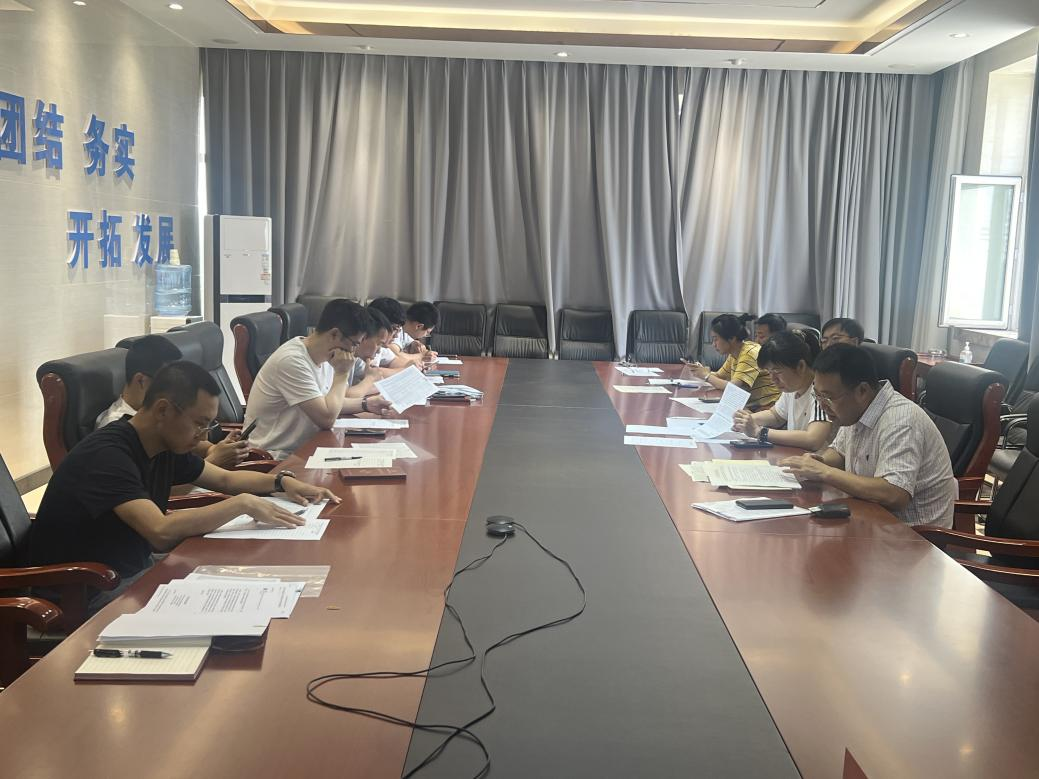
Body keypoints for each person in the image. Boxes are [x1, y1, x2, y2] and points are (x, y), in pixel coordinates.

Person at [26, 361, 339, 611]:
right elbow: (160, 531)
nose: (203, 436)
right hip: (82, 591)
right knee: (230, 603)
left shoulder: (160, 443)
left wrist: (283, 482)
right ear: (163, 410)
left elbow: (226, 479)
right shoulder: (107, 455)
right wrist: (241, 503)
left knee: (255, 577)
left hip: (130, 570)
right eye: (200, 423)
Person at [780, 344, 956, 528]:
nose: (822, 406)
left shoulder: (901, 420)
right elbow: (840, 452)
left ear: (862, 391)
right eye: (818, 396)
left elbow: (894, 494)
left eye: (828, 397)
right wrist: (818, 463)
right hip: (870, 518)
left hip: (914, 534)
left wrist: (824, 472)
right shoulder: (856, 409)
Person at [244, 299, 393, 460]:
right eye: (354, 344)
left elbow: (327, 403)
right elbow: (326, 418)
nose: (354, 351)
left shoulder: (327, 356)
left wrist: (366, 404)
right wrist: (342, 374)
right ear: (335, 334)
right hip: (275, 457)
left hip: (308, 448)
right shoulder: (292, 361)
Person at [96, 334, 249, 469]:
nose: (178, 390)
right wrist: (214, 460)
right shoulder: (116, 428)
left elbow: (195, 447)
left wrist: (216, 450)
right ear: (141, 380)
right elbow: (152, 487)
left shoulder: (164, 414)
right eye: (167, 382)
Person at [733, 329, 833, 450]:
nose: (773, 379)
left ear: (801, 366)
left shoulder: (820, 390)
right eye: (769, 372)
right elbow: (776, 416)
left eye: (777, 372)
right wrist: (746, 420)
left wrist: (759, 432)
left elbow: (813, 439)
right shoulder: (793, 387)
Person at [686, 313, 781, 410]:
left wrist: (706, 376)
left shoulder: (750, 352)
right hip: (749, 407)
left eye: (716, 339)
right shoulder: (735, 353)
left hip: (767, 408)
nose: (713, 344)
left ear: (731, 338)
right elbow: (719, 376)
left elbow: (734, 388)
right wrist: (700, 371)